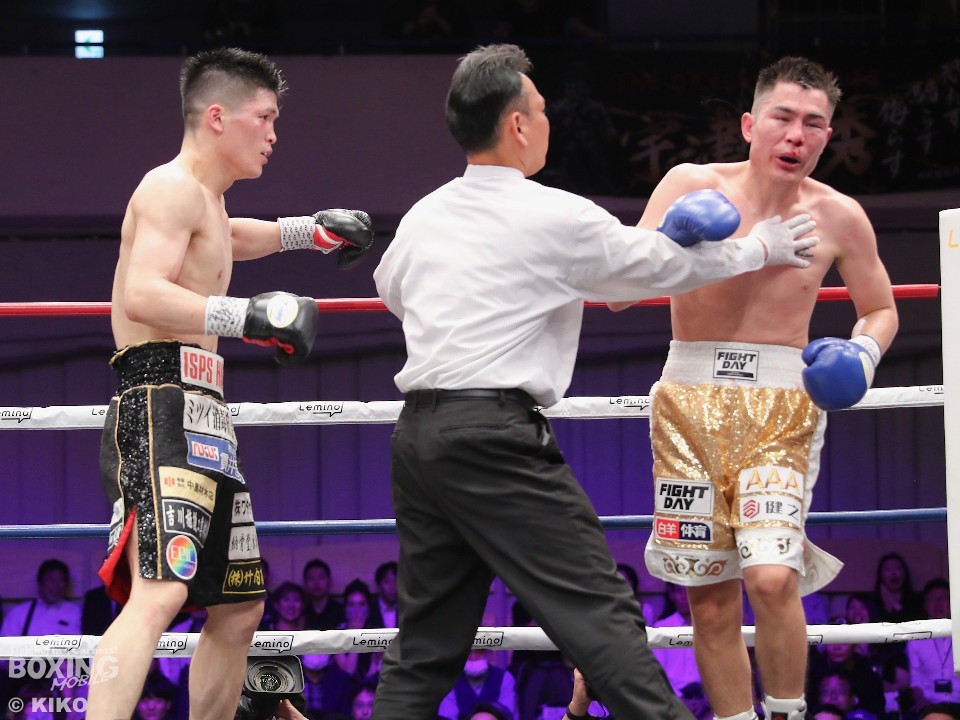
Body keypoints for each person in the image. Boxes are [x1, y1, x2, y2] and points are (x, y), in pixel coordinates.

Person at [370, 42, 818, 719]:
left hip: (420, 439)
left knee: (428, 642)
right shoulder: (554, 213)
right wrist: (761, 248)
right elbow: (647, 271)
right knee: (602, 618)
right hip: (494, 438)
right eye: (542, 109)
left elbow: (392, 291)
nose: (548, 121)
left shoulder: (424, 215)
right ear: (517, 125)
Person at [86, 47, 374, 720]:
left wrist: (309, 233)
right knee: (160, 591)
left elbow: (228, 239)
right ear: (218, 117)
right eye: (264, 118)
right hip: (158, 401)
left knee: (239, 604)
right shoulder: (168, 188)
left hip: (203, 413)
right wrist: (246, 316)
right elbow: (142, 292)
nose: (273, 134)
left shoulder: (206, 201)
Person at [624, 56, 898, 720]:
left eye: (814, 123)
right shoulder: (689, 183)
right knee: (710, 597)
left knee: (774, 578)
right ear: (750, 124)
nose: (796, 135)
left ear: (828, 135)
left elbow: (880, 309)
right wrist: (672, 240)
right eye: (783, 117)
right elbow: (618, 291)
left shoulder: (839, 215)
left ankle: (786, 712)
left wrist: (862, 353)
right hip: (688, 401)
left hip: (780, 407)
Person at [908, 578, 960, 706]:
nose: (938, 603)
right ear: (925, 605)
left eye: (943, 598)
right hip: (929, 705)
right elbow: (915, 681)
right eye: (932, 598)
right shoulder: (916, 638)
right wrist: (924, 708)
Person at [0, 559, 81, 638]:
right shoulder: (19, 613)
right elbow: (5, 643)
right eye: (50, 579)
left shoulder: (76, 613)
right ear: (40, 584)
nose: (56, 585)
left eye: (61, 579)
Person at [652, 583, 702, 696]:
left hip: (707, 698)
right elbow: (658, 671)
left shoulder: (710, 627)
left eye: (689, 591)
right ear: (672, 594)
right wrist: (679, 698)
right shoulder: (661, 628)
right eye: (680, 591)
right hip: (672, 697)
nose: (684, 596)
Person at [437, 648, 516, 720]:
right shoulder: (449, 680)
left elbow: (507, 714)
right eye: (468, 653)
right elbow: (448, 717)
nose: (473, 658)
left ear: (489, 654)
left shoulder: (505, 678)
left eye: (479, 652)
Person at [873, 553, 924, 624]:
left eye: (898, 568)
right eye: (887, 569)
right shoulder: (873, 603)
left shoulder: (916, 603)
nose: (893, 573)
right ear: (881, 576)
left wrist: (895, 604)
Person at [304, 558, 346, 631]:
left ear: (330, 581)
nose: (316, 583)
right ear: (305, 583)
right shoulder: (301, 611)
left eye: (321, 578)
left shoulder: (340, 611)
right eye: (311, 578)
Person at [368, 561, 399, 629]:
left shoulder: (407, 609)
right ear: (379, 585)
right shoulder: (369, 609)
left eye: (396, 581)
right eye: (387, 582)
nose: (392, 587)